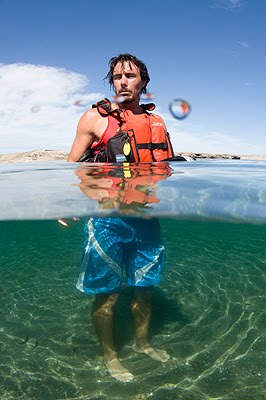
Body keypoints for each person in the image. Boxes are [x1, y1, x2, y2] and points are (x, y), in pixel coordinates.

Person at [68, 53, 173, 382]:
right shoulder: (94, 119)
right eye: (117, 77)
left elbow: (165, 169)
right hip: (107, 219)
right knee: (108, 294)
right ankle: (111, 357)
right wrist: (72, 206)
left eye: (130, 76)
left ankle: (143, 343)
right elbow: (71, 169)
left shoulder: (157, 123)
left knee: (145, 290)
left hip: (146, 219)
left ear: (143, 82)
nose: (123, 82)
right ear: (111, 82)